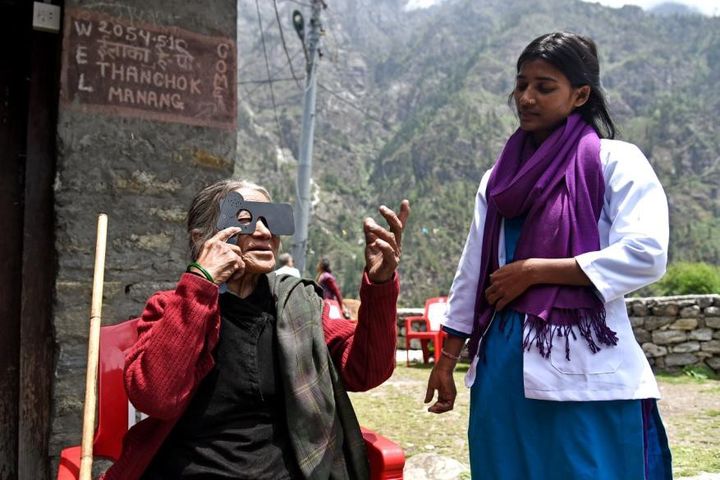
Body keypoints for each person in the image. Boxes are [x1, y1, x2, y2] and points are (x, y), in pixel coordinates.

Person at [424, 32, 673, 480]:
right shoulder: (497, 180)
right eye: (521, 84)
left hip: (583, 355)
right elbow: (473, 274)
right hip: (502, 360)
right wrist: (446, 361)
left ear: (580, 95)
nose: (526, 97)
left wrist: (536, 272)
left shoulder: (615, 162)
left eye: (544, 86)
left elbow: (646, 253)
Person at [102, 179, 410, 480]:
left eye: (271, 219)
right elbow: (156, 397)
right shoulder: (172, 308)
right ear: (202, 238)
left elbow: (367, 370)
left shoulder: (297, 306)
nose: (264, 232)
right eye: (245, 220)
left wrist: (380, 284)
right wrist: (201, 282)